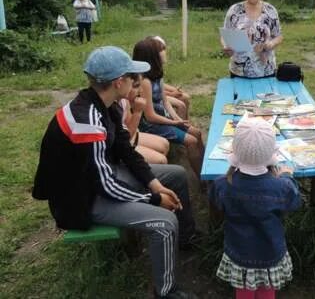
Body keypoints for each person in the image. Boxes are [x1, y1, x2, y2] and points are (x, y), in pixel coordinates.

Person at [32, 46, 197, 299]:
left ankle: (185, 238)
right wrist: (154, 199)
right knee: (164, 223)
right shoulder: (86, 123)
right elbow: (106, 185)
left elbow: (126, 150)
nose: (136, 83)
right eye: (133, 78)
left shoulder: (105, 104)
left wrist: (153, 184)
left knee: (175, 174)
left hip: (99, 179)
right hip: (81, 200)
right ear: (119, 82)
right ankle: (166, 291)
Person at [209, 118, 301, 299]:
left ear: (235, 149)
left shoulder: (222, 184)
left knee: (243, 288)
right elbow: (294, 203)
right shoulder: (282, 187)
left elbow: (217, 204)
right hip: (270, 251)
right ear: (271, 152)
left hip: (239, 251)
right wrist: (288, 177)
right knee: (267, 287)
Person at [132, 37, 205, 179]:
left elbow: (165, 102)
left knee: (197, 133)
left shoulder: (157, 74)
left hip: (164, 118)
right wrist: (174, 122)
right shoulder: (145, 81)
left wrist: (178, 119)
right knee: (192, 141)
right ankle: (201, 180)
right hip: (152, 125)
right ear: (152, 56)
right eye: (161, 50)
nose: (165, 52)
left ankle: (206, 166)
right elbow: (150, 116)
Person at [221, 0, 283, 78]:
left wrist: (271, 44)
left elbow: (279, 36)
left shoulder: (270, 10)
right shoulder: (234, 10)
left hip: (266, 71)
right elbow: (225, 34)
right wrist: (226, 46)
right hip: (239, 71)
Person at [120, 74, 171, 164]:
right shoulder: (115, 104)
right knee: (161, 160)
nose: (140, 91)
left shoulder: (124, 101)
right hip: (121, 143)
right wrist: (137, 112)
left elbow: (129, 126)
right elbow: (127, 138)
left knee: (164, 144)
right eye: (135, 86)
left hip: (128, 134)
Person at [151, 36, 192, 120]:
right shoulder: (150, 70)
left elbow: (161, 83)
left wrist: (174, 89)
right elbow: (154, 91)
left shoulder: (158, 67)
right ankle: (183, 126)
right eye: (161, 50)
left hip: (160, 95)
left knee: (185, 97)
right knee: (181, 104)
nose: (164, 52)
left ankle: (186, 123)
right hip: (155, 99)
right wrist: (172, 94)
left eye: (164, 49)